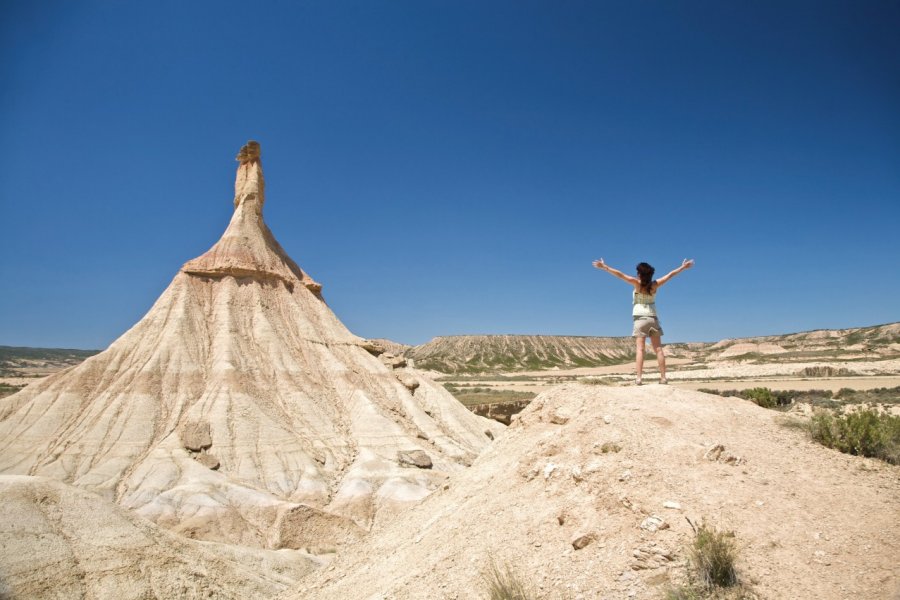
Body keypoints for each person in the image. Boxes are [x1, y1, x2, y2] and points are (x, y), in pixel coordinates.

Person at [592, 258, 694, 385]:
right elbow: (670, 275)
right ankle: (663, 378)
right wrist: (683, 267)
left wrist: (605, 267)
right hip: (653, 318)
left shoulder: (636, 283)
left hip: (639, 319)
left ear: (639, 274)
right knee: (658, 349)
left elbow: (620, 275)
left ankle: (639, 378)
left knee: (640, 349)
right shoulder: (655, 285)